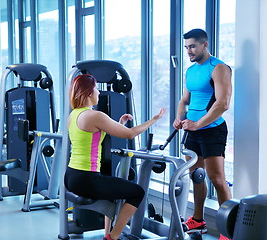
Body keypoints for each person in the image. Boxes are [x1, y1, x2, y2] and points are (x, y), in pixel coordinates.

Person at [64, 74, 166, 240]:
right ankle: (114, 236)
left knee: (112, 192)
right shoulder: (95, 115)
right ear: (89, 93)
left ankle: (107, 234)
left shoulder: (74, 115)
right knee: (137, 192)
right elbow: (131, 135)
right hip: (87, 178)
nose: (99, 92)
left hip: (71, 176)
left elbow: (94, 134)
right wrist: (154, 119)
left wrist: (119, 124)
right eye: (96, 89)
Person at [172, 29, 232, 240]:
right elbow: (184, 100)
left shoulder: (219, 68)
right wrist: (180, 117)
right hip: (192, 129)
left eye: (192, 46)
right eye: (187, 47)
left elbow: (222, 103)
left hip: (212, 129)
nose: (189, 50)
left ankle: (228, 229)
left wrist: (198, 124)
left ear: (204, 45)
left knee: (217, 179)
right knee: (196, 176)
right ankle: (198, 220)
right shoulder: (190, 71)